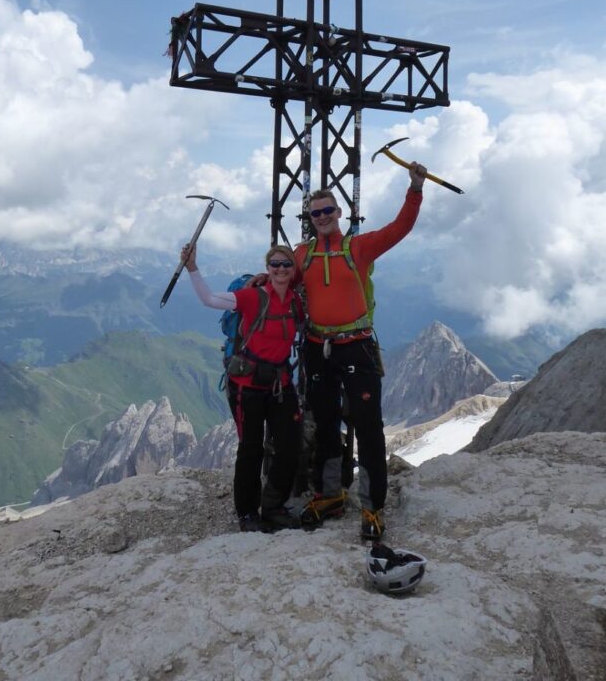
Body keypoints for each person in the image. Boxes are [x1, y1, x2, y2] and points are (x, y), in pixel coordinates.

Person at [295, 161, 427, 541]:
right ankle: (330, 495)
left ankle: (371, 506)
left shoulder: (359, 246)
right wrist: (259, 279)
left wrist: (415, 189)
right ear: (310, 218)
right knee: (324, 423)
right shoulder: (303, 255)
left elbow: (399, 228)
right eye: (314, 212)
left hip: (356, 347)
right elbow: (282, 276)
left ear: (339, 214)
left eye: (327, 211)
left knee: (368, 428)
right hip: (318, 347)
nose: (321, 217)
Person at [181, 241, 304, 533]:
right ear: (268, 268)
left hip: (279, 384)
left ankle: (273, 506)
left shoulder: (296, 302)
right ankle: (247, 512)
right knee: (251, 448)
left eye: (286, 264)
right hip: (246, 386)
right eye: (274, 264)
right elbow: (209, 299)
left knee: (289, 445)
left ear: (293, 269)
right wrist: (192, 268)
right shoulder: (252, 297)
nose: (280, 269)